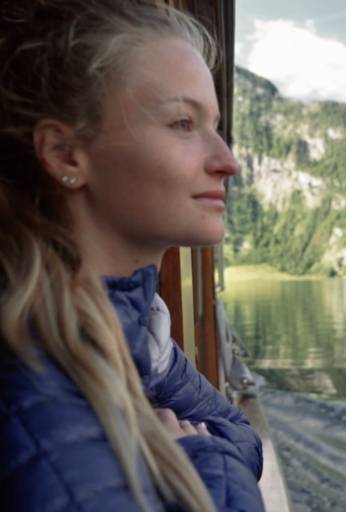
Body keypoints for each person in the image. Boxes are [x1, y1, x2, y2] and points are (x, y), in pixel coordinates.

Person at [0, 1, 265, 510]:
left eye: (215, 125)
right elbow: (234, 445)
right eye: (183, 123)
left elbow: (241, 431)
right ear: (65, 154)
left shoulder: (137, 333)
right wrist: (209, 462)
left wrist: (204, 454)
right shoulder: (36, 407)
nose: (227, 162)